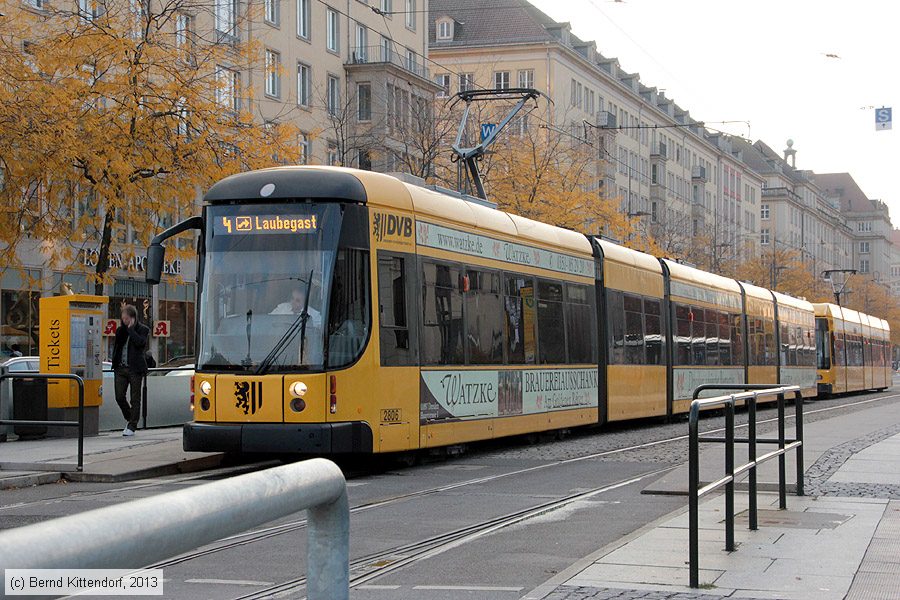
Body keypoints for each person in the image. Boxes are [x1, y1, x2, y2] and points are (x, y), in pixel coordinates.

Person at [111, 305, 150, 437]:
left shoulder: (143, 330)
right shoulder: (120, 331)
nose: (124, 321)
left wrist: (132, 330)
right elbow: (117, 346)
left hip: (135, 369)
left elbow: (140, 343)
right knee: (119, 396)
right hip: (120, 368)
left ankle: (132, 425)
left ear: (133, 318)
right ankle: (130, 417)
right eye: (123, 318)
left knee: (135, 398)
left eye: (127, 318)